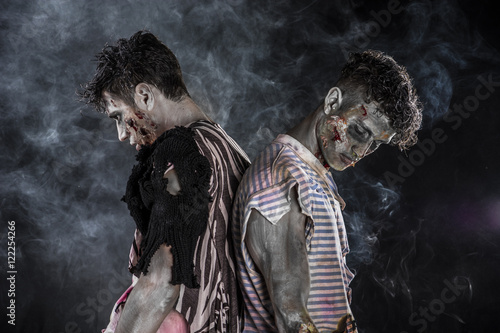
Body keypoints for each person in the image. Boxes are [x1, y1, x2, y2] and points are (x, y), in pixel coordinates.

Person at [232, 50, 422, 332]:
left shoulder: (312, 176)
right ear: (333, 102)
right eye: (359, 131)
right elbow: (291, 313)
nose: (361, 152)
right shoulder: (284, 179)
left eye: (375, 145)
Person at [80, 30, 250, 333]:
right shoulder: (228, 147)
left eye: (119, 116)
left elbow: (160, 284)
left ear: (145, 96)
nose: (121, 133)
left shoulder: (180, 157)